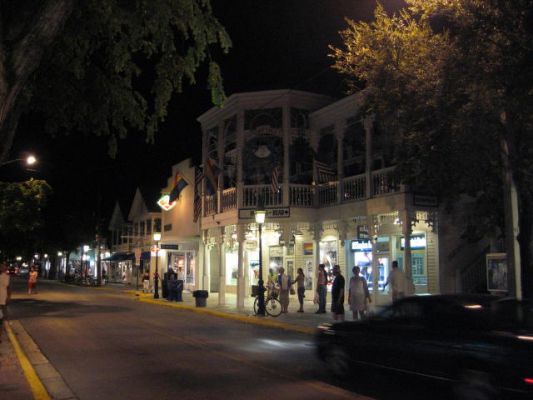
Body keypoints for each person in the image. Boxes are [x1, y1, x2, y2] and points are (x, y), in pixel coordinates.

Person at [0, 263, 11, 343]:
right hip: (2, 300)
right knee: (1, 319)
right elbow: (7, 286)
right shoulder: (5, 276)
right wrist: (8, 297)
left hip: (2, 300)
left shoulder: (5, 276)